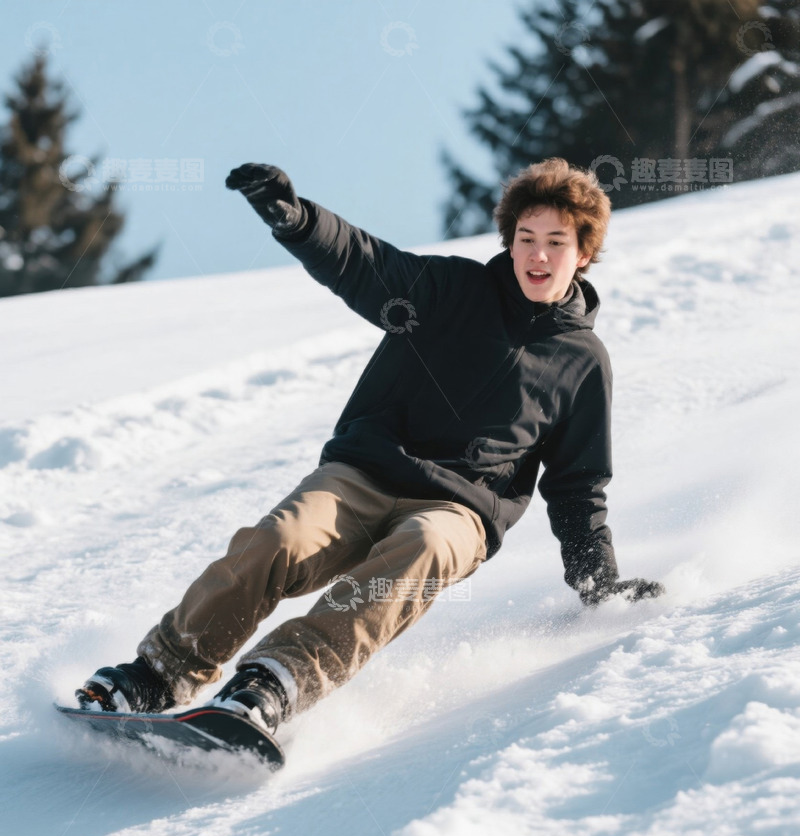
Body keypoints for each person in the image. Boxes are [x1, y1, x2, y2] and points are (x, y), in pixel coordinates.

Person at [76, 157, 663, 734]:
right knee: (279, 540)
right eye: (525, 237)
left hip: (459, 511)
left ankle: (274, 683)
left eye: (556, 242)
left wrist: (598, 585)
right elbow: (366, 266)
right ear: (508, 242)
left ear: (583, 255)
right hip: (365, 473)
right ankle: (158, 673)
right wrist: (298, 220)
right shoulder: (450, 290)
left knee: (424, 548)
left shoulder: (584, 364)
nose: (538, 254)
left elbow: (577, 484)